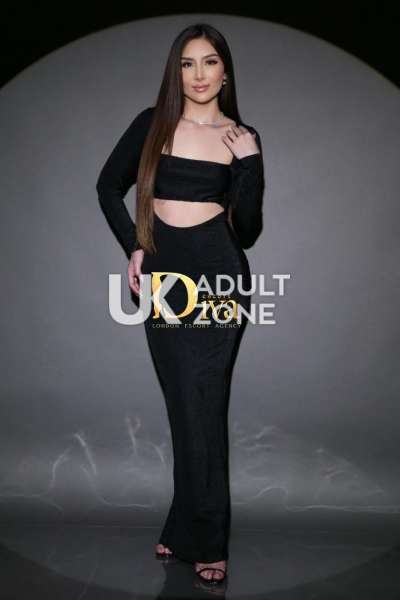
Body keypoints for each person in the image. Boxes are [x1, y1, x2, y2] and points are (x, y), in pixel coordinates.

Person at [96, 23, 265, 586]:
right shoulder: (152, 124)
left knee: (205, 406)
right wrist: (134, 245)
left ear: (225, 71)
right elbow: (107, 186)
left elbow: (249, 231)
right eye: (188, 63)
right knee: (182, 406)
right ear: (177, 72)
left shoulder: (241, 137)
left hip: (219, 277)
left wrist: (250, 164)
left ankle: (209, 540)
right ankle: (183, 523)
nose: (198, 74)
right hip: (165, 278)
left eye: (209, 62)